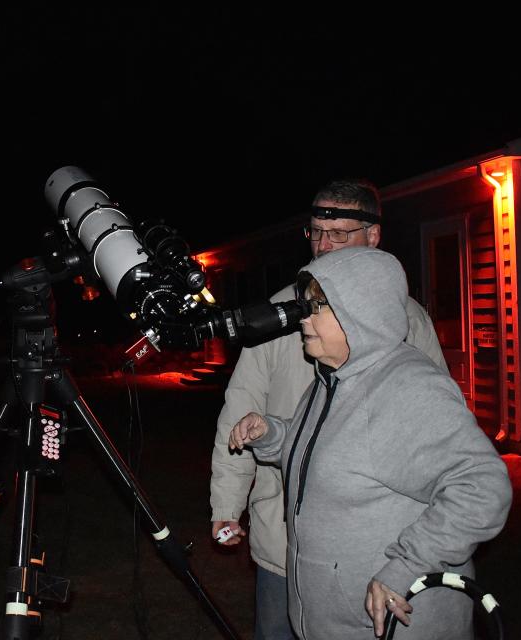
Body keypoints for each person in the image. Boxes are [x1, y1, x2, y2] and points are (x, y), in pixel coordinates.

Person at [229, 247, 511, 639]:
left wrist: (405, 566)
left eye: (319, 307)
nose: (304, 319)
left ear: (361, 310)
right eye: (305, 306)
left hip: (392, 627)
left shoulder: (407, 387)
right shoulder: (329, 381)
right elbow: (329, 453)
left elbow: (483, 487)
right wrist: (273, 434)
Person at [209, 179, 446, 639]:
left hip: (372, 546)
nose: (324, 245)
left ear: (373, 237)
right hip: (284, 546)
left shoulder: (408, 320)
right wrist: (227, 504)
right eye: (317, 232)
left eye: (339, 233)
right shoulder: (279, 315)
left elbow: (436, 437)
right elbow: (240, 411)